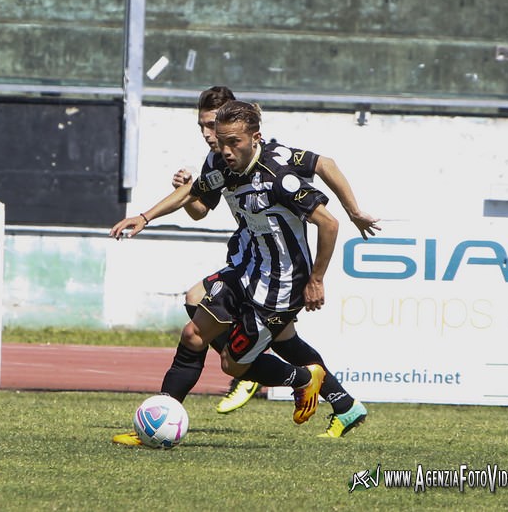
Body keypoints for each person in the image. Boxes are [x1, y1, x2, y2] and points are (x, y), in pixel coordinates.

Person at [112, 100, 366, 445]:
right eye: (221, 141)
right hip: (246, 269)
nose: (225, 150)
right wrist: (145, 216)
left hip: (280, 285)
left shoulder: (281, 177)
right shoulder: (222, 165)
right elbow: (196, 191)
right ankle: (158, 420)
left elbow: (329, 223)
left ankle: (304, 379)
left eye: (234, 142)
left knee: (232, 365)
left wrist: (317, 278)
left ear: (255, 137)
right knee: (192, 335)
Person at [170, 87, 379, 419]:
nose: (209, 136)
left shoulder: (273, 160)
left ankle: (248, 363)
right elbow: (198, 210)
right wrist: (186, 188)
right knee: (210, 309)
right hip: (249, 255)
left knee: (222, 323)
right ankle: (342, 403)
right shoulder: (217, 159)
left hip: (272, 264)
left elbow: (325, 166)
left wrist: (353, 211)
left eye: (214, 125)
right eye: (203, 127)